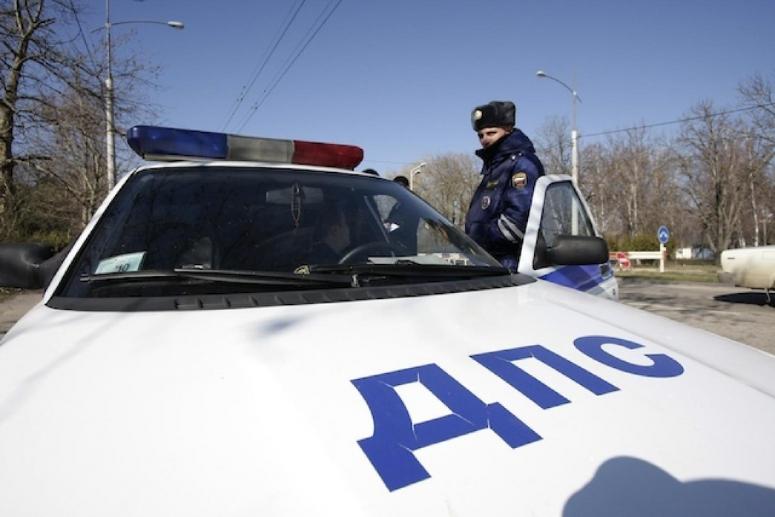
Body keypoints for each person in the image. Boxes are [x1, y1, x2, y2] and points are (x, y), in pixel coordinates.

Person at [464, 100, 545, 271]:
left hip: (510, 266)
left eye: (491, 133)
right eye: (480, 135)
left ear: (508, 129)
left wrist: (476, 238)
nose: (484, 140)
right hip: (490, 263)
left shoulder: (522, 164)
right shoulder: (495, 167)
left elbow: (517, 223)